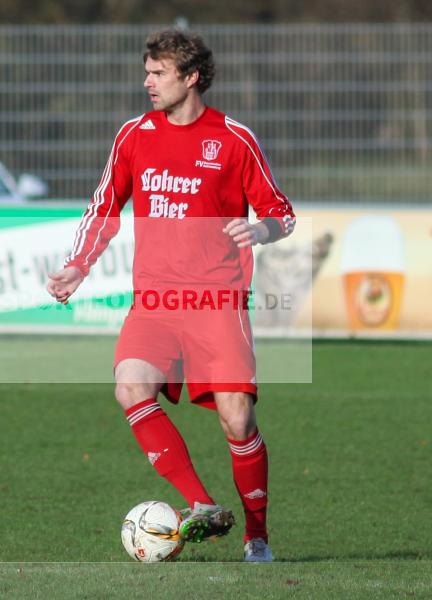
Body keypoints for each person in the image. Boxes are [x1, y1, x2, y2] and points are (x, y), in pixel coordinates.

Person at [46, 28, 294, 563]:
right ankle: (202, 504)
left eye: (159, 73)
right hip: (155, 301)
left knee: (238, 420)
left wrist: (262, 229)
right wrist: (78, 265)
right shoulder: (134, 135)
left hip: (217, 301)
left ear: (192, 76)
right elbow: (104, 206)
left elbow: (282, 212)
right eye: (147, 72)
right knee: (130, 387)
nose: (148, 82)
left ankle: (256, 536)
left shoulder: (233, 139)